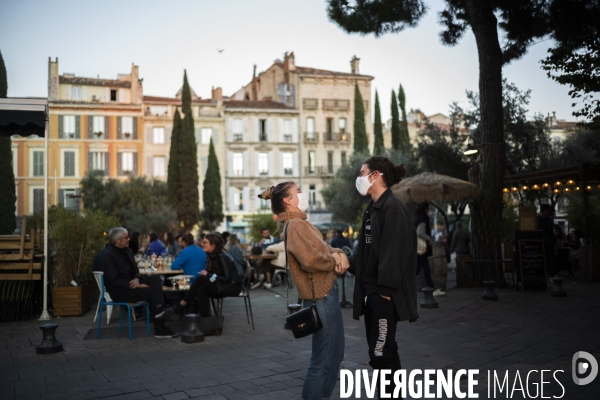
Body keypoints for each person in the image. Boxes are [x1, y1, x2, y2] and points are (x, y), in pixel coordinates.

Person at [259, 182, 349, 400]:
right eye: (298, 191)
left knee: (333, 357)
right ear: (288, 201)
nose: (302, 193)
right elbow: (310, 260)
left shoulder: (301, 223)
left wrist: (339, 253)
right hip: (322, 297)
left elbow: (325, 248)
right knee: (324, 361)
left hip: (324, 295)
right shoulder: (296, 225)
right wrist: (334, 261)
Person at [348, 156, 418, 397]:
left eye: (362, 172)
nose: (358, 177)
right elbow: (367, 252)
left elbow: (395, 251)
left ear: (375, 175)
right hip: (372, 294)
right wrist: (345, 261)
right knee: (385, 350)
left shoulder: (393, 208)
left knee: (379, 353)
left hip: (382, 295)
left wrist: (384, 292)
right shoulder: (373, 209)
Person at [101, 227, 178, 339]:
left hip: (133, 283)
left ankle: (160, 309)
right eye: (126, 237)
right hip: (120, 291)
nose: (129, 239)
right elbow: (114, 280)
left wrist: (137, 279)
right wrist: (134, 284)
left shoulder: (128, 250)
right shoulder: (108, 256)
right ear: (117, 241)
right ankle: (160, 328)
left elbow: (135, 270)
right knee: (153, 292)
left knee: (155, 278)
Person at [162, 233, 241, 318]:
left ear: (213, 245)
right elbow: (216, 275)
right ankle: (206, 321)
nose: (202, 244)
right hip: (219, 284)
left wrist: (208, 274)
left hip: (230, 287)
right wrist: (209, 275)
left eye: (205, 242)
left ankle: (181, 304)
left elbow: (227, 278)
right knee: (200, 290)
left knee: (200, 279)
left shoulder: (222, 256)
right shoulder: (212, 255)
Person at [415, 202, 443, 296]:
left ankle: (432, 289)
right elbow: (420, 232)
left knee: (426, 269)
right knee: (416, 270)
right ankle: (402, 286)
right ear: (426, 209)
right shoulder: (423, 217)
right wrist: (429, 238)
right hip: (421, 248)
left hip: (419, 247)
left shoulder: (418, 217)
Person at [537, 204, 557, 278]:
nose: (549, 211)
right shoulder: (542, 219)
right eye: (548, 210)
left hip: (547, 241)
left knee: (549, 257)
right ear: (545, 210)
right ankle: (549, 273)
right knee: (547, 258)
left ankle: (550, 273)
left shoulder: (546, 219)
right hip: (544, 241)